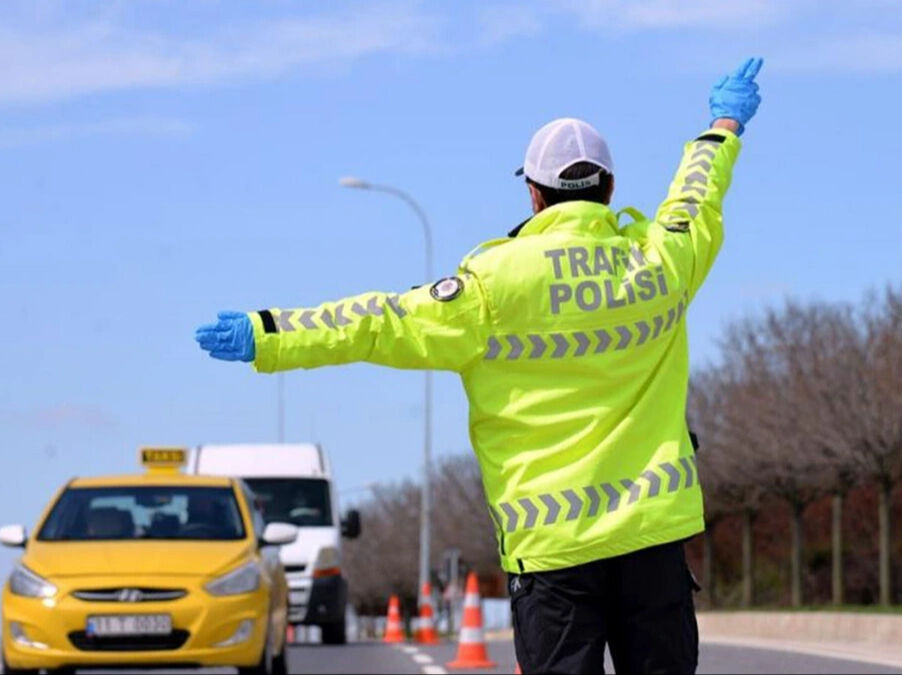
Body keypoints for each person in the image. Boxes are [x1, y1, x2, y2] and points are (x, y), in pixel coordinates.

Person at [194, 57, 763, 674]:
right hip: (653, 541)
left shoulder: (491, 286)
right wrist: (722, 123)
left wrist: (269, 333)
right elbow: (694, 199)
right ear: (610, 189)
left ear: (534, 194)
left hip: (552, 553)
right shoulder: (660, 266)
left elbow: (376, 323)